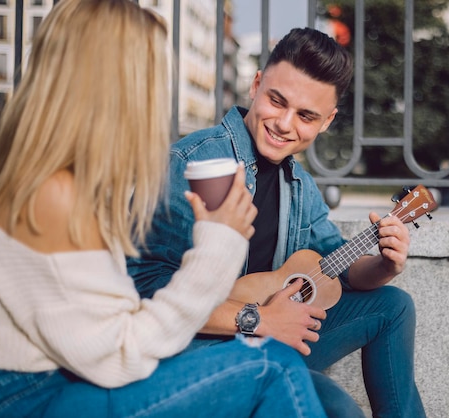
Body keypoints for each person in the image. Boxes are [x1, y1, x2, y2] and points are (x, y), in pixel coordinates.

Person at [0, 2, 327, 417]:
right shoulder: (53, 194)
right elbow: (120, 355)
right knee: (274, 367)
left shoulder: (51, 177)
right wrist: (219, 243)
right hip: (35, 399)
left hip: (62, 381)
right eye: (151, 71)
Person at [129, 27, 426, 418]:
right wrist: (259, 320)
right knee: (339, 410)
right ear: (256, 85)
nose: (285, 124)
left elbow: (338, 270)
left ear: (327, 121)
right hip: (196, 351)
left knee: (394, 305)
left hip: (268, 336)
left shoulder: (299, 185)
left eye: (306, 116)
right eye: (276, 100)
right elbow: (143, 289)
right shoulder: (192, 165)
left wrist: (385, 264)